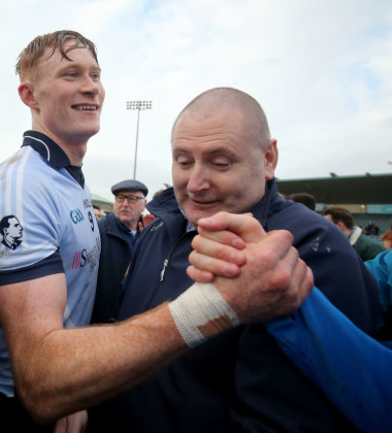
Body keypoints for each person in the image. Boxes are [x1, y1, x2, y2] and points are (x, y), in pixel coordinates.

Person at [0, 35, 313, 432]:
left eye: (95, 75)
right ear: (30, 95)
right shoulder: (24, 185)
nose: (91, 86)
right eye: (70, 74)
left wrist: (79, 388)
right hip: (20, 405)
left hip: (74, 391)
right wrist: (216, 305)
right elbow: (39, 374)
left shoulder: (67, 179)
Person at [99, 87, 381, 432]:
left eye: (221, 163)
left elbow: (292, 419)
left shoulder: (313, 248)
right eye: (183, 161)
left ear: (268, 159)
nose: (195, 183)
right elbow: (121, 326)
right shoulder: (157, 230)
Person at [188, 212, 392, 433]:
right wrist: (272, 267)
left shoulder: (324, 237)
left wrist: (278, 282)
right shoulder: (382, 266)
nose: (197, 185)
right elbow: (363, 288)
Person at [91, 179, 147, 324]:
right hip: (102, 324)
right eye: (120, 198)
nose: (125, 204)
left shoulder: (151, 234)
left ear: (144, 204)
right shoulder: (97, 232)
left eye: (132, 199)